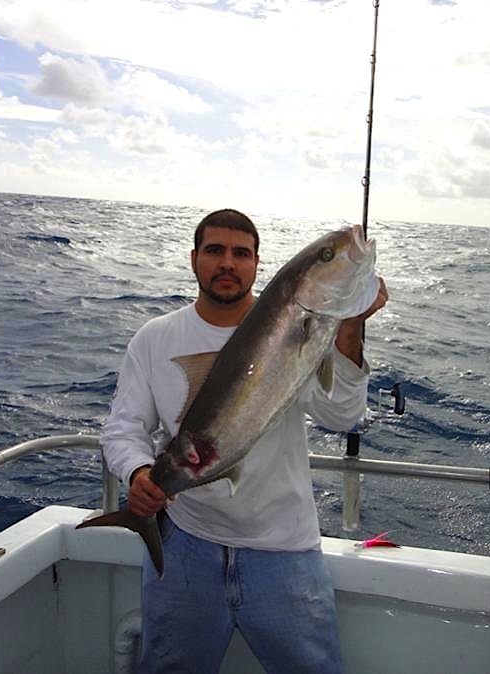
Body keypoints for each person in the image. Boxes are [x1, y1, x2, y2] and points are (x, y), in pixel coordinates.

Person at [102, 208, 387, 674]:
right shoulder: (156, 339)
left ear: (258, 264)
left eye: (241, 253)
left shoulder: (303, 328)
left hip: (283, 549)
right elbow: (123, 428)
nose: (227, 263)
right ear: (194, 258)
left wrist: (350, 327)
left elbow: (342, 416)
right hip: (185, 546)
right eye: (215, 251)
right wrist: (138, 474)